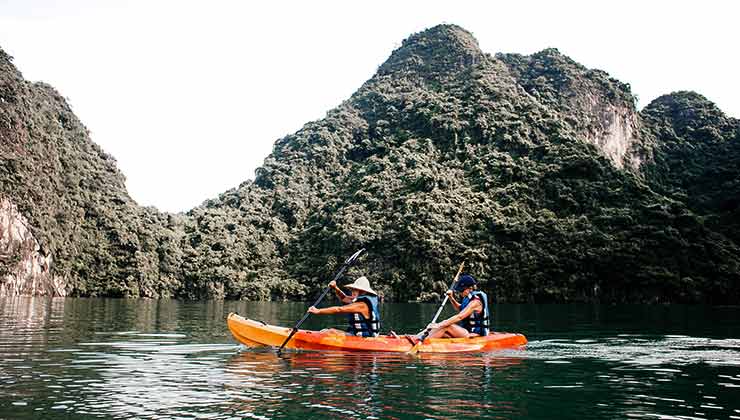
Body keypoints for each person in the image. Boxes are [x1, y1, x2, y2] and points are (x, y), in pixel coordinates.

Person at [308, 276, 381, 337]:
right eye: (352, 289)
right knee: (325, 331)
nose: (352, 291)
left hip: (363, 338)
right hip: (359, 335)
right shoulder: (359, 301)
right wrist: (335, 287)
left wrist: (318, 311)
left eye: (355, 290)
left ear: (363, 291)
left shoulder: (361, 305)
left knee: (329, 332)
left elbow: (339, 309)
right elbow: (344, 298)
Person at [424, 274, 490, 338]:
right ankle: (419, 338)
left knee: (447, 326)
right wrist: (451, 297)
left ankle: (423, 343)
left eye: (461, 290)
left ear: (470, 288)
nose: (460, 292)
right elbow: (460, 309)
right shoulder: (467, 298)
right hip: (466, 331)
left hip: (475, 334)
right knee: (443, 332)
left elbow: (460, 317)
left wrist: (439, 325)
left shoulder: (476, 302)